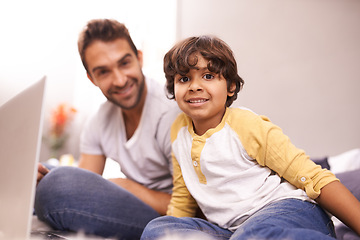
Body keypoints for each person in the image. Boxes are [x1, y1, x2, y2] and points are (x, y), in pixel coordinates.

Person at [140, 36, 360, 240]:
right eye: (184, 78)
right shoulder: (179, 131)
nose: (195, 86)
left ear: (230, 86)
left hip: (286, 209)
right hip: (230, 229)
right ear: (173, 87)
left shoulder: (246, 125)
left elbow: (313, 177)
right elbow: (183, 196)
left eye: (208, 76)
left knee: (255, 232)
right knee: (157, 229)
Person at [35, 19, 180, 239]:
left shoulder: (171, 112)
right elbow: (83, 182)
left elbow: (197, 206)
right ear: (91, 78)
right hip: (135, 206)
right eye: (103, 72)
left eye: (124, 63)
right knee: (43, 172)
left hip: (173, 217)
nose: (120, 80)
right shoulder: (99, 121)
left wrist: (130, 188)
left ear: (140, 58)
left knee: (56, 184)